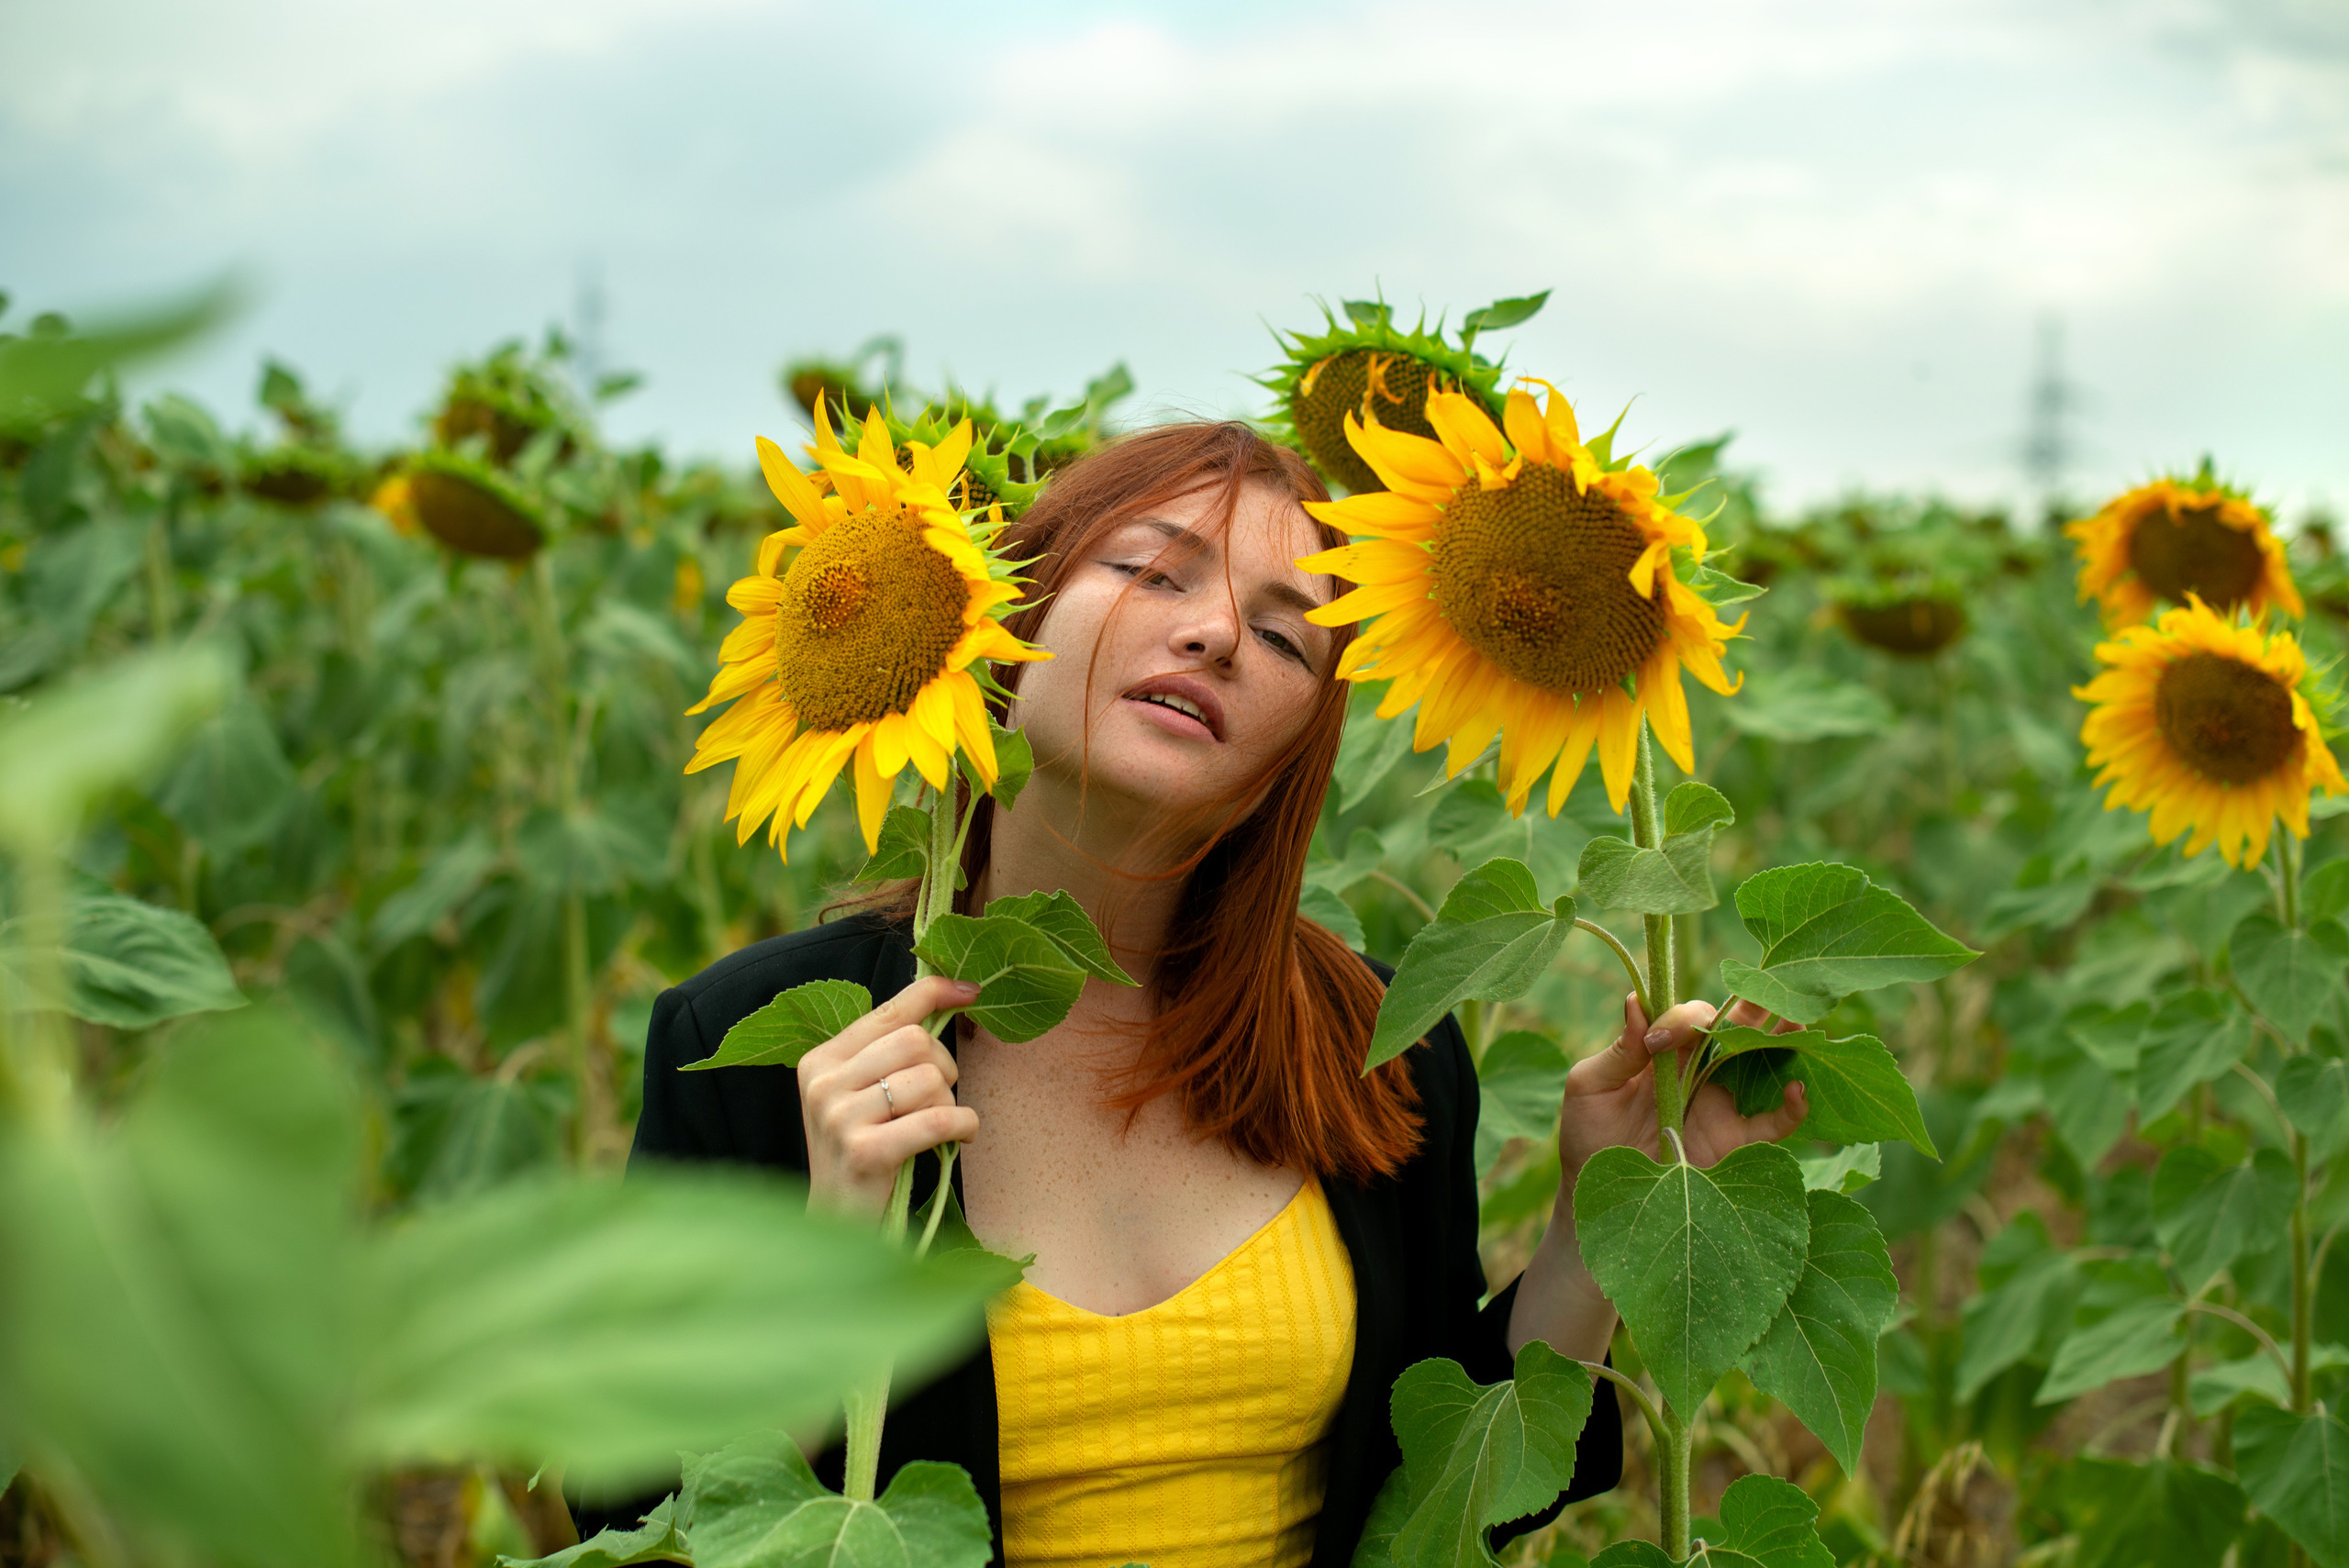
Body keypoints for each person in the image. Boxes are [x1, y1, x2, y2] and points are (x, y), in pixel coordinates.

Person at [608, 420, 1809, 1568]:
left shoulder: (1377, 1044)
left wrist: (1597, 1227)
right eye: (1153, 572)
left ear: (1295, 756)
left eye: (1289, 639)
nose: (1220, 634)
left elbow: (1435, 1503)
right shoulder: (760, 1047)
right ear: (1000, 613)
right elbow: (632, 1508)